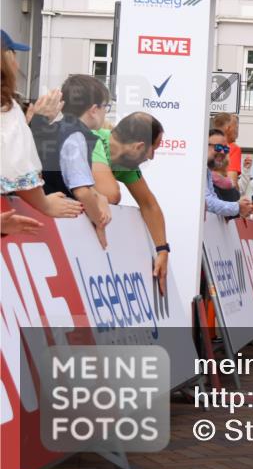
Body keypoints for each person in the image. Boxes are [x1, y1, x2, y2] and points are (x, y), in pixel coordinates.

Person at [1, 31, 83, 220]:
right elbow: (17, 168)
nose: (18, 65)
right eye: (14, 57)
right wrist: (45, 205)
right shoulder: (6, 105)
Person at [89, 112, 172, 293]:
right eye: (153, 149)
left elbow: (149, 204)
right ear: (139, 146)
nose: (151, 157)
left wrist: (163, 250)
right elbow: (110, 194)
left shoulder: (124, 161)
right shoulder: (93, 140)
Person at [32, 74, 113, 247]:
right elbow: (81, 191)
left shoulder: (55, 130)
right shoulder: (76, 136)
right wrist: (99, 221)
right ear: (93, 110)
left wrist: (98, 196)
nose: (106, 112)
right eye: (106, 106)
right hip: (60, 226)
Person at [206, 129, 253, 219]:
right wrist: (238, 207)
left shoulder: (206, 172)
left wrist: (239, 207)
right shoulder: (196, 170)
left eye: (226, 149)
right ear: (204, 145)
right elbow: (207, 201)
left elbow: (213, 199)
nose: (223, 152)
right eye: (218, 147)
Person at [212, 113, 241, 187]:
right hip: (221, 196)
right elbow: (232, 183)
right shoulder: (232, 148)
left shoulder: (206, 145)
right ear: (228, 128)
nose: (237, 133)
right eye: (236, 128)